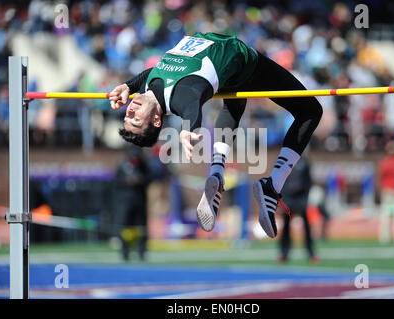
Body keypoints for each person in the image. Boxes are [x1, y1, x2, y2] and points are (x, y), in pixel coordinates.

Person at [109, 32, 323, 238]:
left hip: (225, 68)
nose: (130, 111)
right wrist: (189, 129)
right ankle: (273, 184)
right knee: (311, 111)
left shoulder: (149, 87)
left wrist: (128, 85)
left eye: (127, 117)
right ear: (156, 120)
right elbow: (191, 104)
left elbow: (150, 74)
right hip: (241, 60)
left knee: (234, 104)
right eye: (136, 119)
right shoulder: (180, 96)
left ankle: (217, 172)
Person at [277, 156, 319, 264]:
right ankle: (283, 253)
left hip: (301, 198)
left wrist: (305, 198)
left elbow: (308, 181)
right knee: (286, 227)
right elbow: (280, 180)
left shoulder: (304, 162)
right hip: (288, 198)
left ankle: (311, 253)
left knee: (307, 227)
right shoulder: (284, 161)